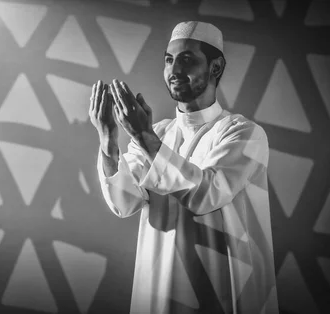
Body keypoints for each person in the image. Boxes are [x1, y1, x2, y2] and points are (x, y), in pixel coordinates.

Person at [89, 21, 279, 314]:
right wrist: (108, 139)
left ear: (215, 68)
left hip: (223, 288)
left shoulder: (243, 133)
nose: (174, 71)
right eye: (169, 60)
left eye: (187, 60)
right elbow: (123, 202)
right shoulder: (160, 133)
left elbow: (206, 196)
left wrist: (143, 136)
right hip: (157, 285)